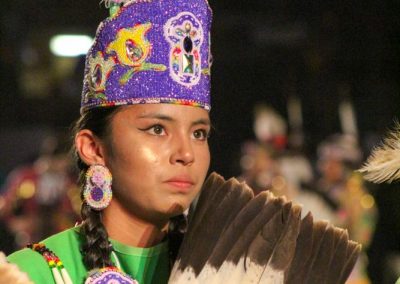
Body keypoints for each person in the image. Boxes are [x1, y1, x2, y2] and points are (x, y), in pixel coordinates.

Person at [7, 0, 213, 283]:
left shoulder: (235, 265)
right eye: (156, 129)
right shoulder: (28, 274)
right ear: (93, 149)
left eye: (199, 133)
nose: (186, 154)